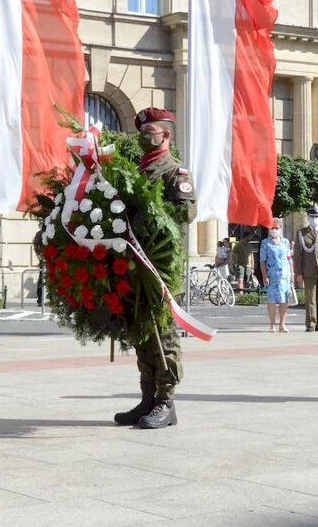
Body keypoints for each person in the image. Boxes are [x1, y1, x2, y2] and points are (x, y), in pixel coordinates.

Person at [113, 107, 196, 430]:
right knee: (142, 333)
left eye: (149, 133)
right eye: (141, 133)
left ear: (166, 135)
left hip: (160, 265)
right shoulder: (135, 171)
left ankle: (166, 401)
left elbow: (184, 213)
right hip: (133, 264)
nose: (144, 138)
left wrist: (148, 216)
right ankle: (147, 398)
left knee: (163, 335)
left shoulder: (176, 173)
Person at [293, 206, 318, 332]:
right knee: (310, 298)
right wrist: (298, 273)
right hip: (308, 269)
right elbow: (297, 255)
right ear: (308, 217)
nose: (314, 219)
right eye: (312, 217)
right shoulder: (301, 233)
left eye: (316, 217)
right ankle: (311, 323)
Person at [260, 220, 292, 333]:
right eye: (272, 228)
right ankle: (272, 324)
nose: (274, 230)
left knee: (284, 300)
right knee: (272, 301)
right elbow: (262, 261)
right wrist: (265, 276)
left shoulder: (286, 242)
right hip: (271, 275)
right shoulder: (265, 243)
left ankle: (282, 325)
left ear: (281, 228)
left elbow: (289, 258)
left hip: (284, 275)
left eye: (276, 228)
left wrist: (292, 273)